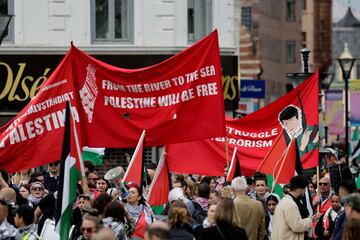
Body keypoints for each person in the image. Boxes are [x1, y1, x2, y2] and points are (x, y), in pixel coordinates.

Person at [273, 176, 320, 240]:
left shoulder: (285, 201)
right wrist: (311, 219)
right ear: (299, 190)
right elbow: (297, 226)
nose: (304, 193)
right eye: (304, 190)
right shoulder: (290, 204)